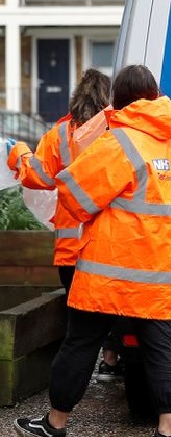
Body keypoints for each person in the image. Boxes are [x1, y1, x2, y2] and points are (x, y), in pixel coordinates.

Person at [13, 64, 171, 437]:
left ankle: (55, 424)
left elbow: (75, 199)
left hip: (110, 269)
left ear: (121, 101)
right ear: (155, 94)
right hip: (159, 271)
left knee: (80, 342)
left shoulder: (121, 143)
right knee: (160, 346)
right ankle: (168, 432)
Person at [5, 69, 124, 381]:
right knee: (114, 306)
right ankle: (110, 360)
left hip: (71, 248)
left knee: (79, 322)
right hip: (108, 245)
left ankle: (70, 387)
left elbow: (39, 177)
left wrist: (18, 153)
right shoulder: (119, 131)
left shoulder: (59, 134)